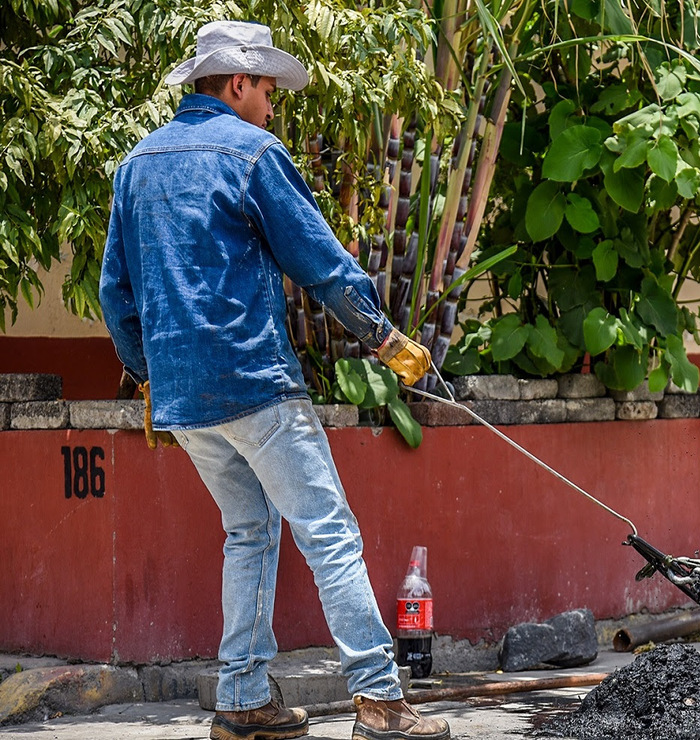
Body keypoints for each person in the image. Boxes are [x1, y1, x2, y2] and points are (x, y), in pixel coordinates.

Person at [99, 20, 450, 740]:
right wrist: (382, 336)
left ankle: (243, 700)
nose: (271, 103)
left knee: (249, 533)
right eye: (266, 87)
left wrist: (144, 376)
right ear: (237, 84)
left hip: (183, 397)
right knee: (329, 534)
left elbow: (116, 295)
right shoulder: (254, 154)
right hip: (255, 381)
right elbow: (319, 263)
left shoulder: (135, 166)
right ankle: (381, 702)